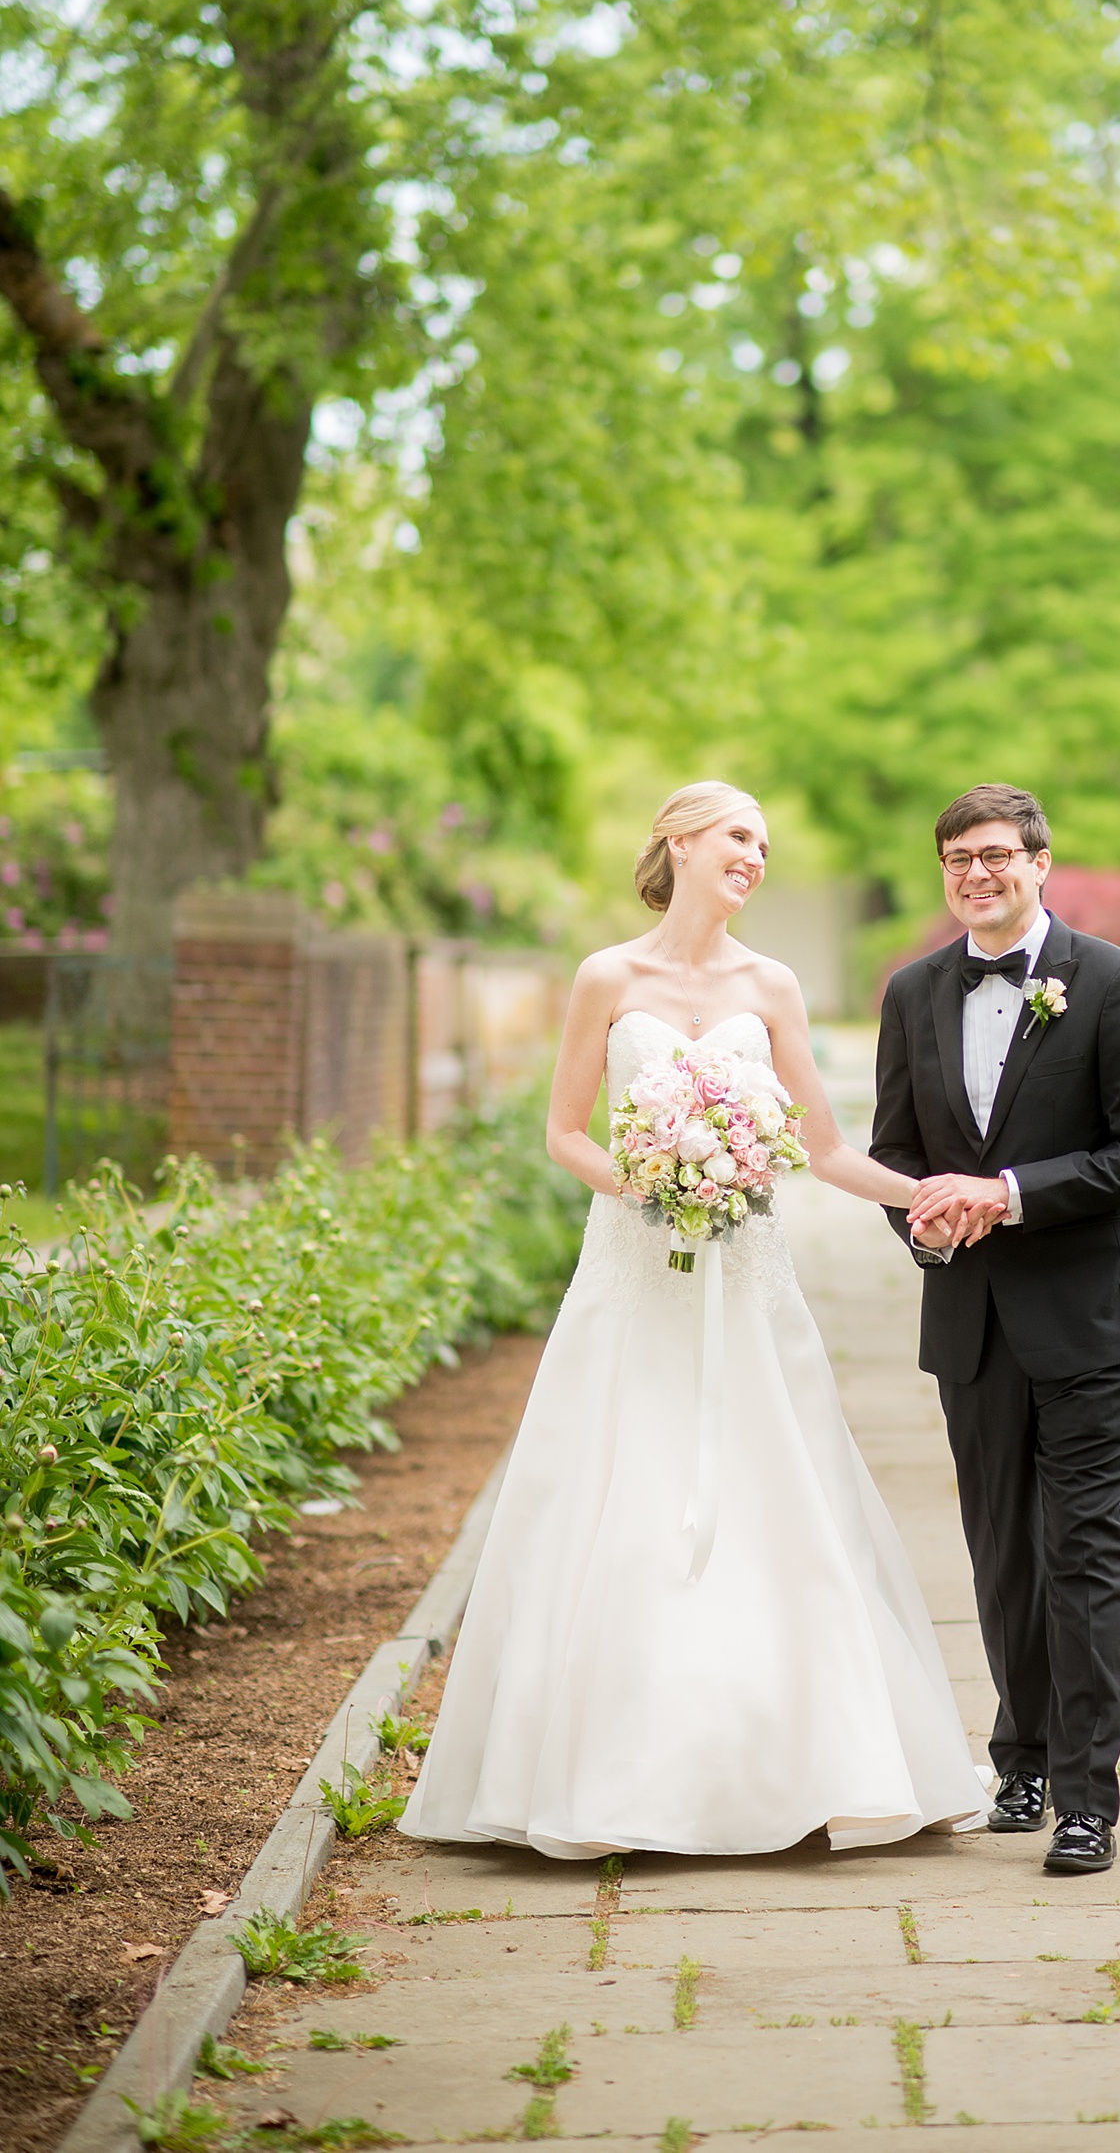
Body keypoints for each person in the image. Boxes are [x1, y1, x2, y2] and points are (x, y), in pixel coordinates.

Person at [402, 780, 988, 1860]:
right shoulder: (605, 976)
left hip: (748, 1280)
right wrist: (652, 1181)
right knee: (618, 1494)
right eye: (737, 835)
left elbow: (818, 1147)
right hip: (635, 1275)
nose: (755, 855)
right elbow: (565, 1134)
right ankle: (605, 1778)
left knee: (777, 1495)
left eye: (765, 843)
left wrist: (936, 1191)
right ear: (677, 840)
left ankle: (805, 1764)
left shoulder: (771, 985)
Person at [871, 782, 1120, 1875]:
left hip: (1091, 1319)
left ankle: (1087, 1801)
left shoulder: (1111, 983)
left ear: (1040, 862)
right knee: (1000, 1554)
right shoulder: (910, 994)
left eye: (996, 854)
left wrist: (1004, 1191)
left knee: (1083, 1552)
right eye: (956, 858)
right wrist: (930, 1225)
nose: (975, 874)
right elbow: (895, 1157)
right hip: (971, 1319)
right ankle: (1022, 1760)